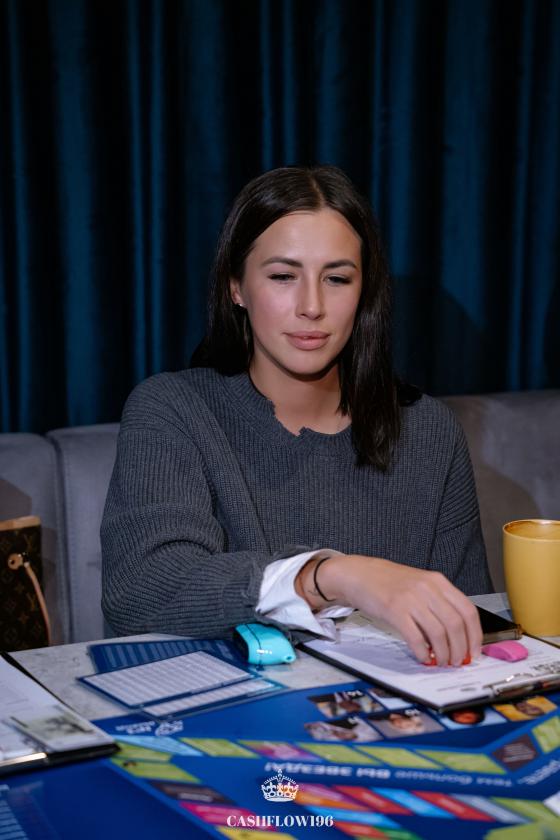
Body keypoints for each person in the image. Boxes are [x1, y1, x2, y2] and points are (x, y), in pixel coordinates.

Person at [101, 165, 492, 666]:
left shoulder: (429, 430)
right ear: (236, 287)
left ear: (364, 292)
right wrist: (330, 575)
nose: (312, 306)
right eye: (283, 276)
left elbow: (467, 617)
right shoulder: (173, 408)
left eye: (337, 278)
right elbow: (139, 590)